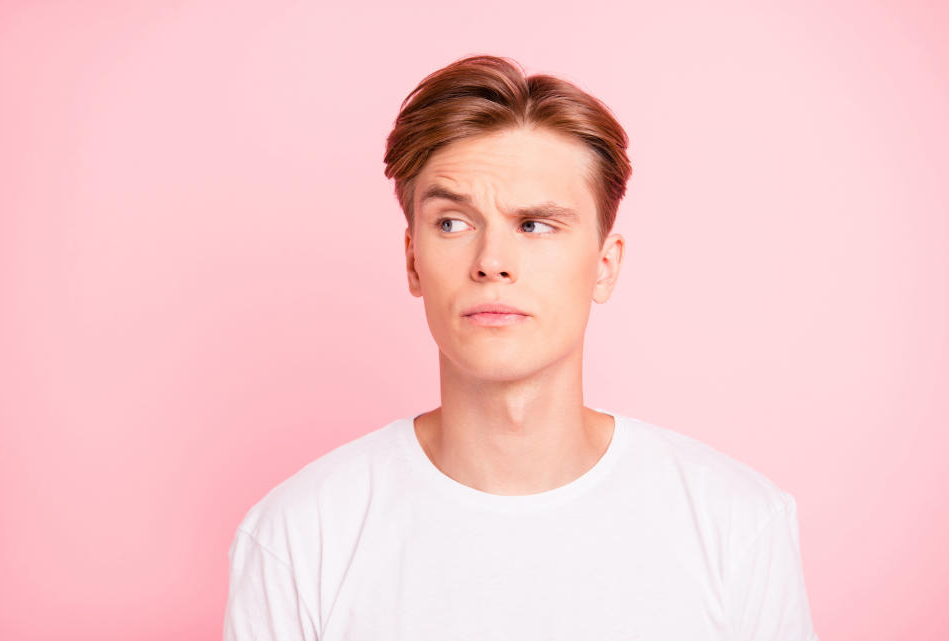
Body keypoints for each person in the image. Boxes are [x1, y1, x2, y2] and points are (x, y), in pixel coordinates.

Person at [223, 54, 819, 640]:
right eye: (453, 223)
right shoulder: (298, 538)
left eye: (535, 226)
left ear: (605, 267)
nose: (492, 263)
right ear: (412, 261)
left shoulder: (738, 526)